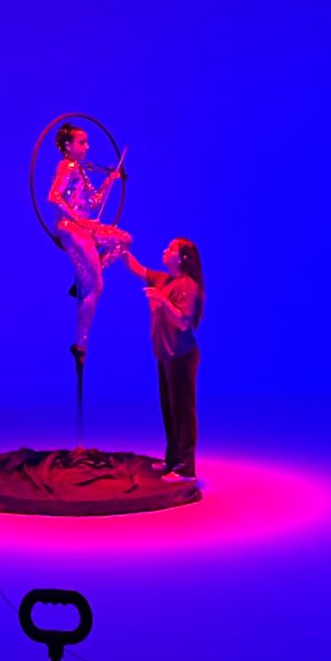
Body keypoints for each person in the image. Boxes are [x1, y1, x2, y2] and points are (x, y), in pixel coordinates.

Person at [48, 123, 132, 357]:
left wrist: (109, 181)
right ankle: (80, 344)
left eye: (86, 142)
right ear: (68, 146)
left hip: (84, 227)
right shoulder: (67, 166)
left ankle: (85, 275)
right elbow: (53, 196)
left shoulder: (80, 170)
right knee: (96, 286)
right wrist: (77, 219)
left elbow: (93, 202)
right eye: (82, 142)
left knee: (123, 240)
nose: (87, 147)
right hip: (70, 228)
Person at [123, 239, 204, 479]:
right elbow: (137, 268)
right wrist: (120, 245)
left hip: (181, 356)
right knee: (169, 409)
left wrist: (161, 300)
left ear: (182, 258)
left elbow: (183, 322)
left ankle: (186, 467)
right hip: (166, 354)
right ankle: (173, 459)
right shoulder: (163, 279)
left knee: (182, 412)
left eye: (171, 249)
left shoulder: (187, 285)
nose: (165, 251)